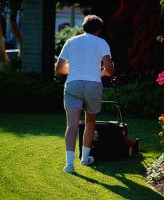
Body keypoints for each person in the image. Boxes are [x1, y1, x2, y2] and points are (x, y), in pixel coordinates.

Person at [55, 14, 114, 173]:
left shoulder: (70, 42)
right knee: (90, 122)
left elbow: (59, 68)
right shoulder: (101, 42)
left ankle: (69, 165)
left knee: (71, 125)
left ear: (84, 27)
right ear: (98, 30)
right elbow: (109, 68)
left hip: (73, 84)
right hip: (93, 85)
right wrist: (103, 72)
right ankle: (85, 158)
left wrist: (74, 70)